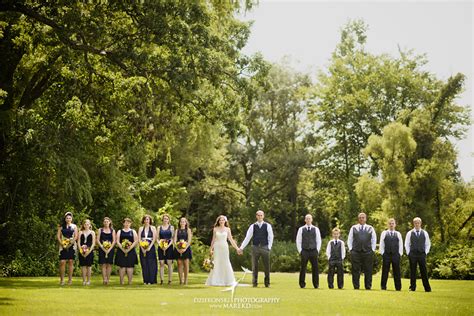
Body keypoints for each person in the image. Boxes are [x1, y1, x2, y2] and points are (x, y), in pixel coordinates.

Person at [238, 210, 274, 288]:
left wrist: (269, 247)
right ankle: (254, 283)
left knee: (266, 266)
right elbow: (247, 238)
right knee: (254, 266)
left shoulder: (267, 225)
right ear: (256, 216)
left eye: (261, 215)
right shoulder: (252, 226)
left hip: (265, 247)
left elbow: (271, 237)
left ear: (263, 216)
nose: (260, 217)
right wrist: (241, 248)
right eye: (258, 215)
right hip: (255, 247)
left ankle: (267, 283)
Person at [206, 215, 239, 286]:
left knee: (226, 262)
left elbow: (231, 240)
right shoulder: (215, 229)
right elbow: (213, 240)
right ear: (218, 221)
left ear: (225, 221)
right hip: (217, 247)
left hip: (224, 247)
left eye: (223, 220)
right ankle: (216, 280)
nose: (221, 221)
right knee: (217, 262)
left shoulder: (227, 229)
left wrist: (237, 248)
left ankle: (227, 280)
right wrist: (211, 249)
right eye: (220, 220)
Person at [347, 212, 376, 290]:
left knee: (368, 270)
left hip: (368, 252)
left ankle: (368, 286)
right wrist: (351, 249)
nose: (361, 219)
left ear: (365, 219)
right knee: (355, 270)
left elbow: (374, 239)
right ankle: (356, 286)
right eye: (360, 217)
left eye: (363, 217)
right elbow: (350, 239)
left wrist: (372, 250)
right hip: (356, 252)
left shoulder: (371, 228)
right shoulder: (354, 228)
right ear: (358, 219)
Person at [405, 217, 431, 292]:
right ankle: (412, 287)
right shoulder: (410, 233)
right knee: (413, 271)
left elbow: (428, 244)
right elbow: (406, 244)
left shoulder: (425, 233)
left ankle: (427, 288)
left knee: (424, 271)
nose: (417, 224)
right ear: (414, 224)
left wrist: (425, 252)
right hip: (412, 254)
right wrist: (408, 253)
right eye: (415, 223)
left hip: (422, 254)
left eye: (418, 223)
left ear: (420, 223)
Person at [295, 214, 322, 289]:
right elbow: (298, 240)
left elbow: (318, 240)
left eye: (309, 219)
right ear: (305, 220)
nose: (308, 220)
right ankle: (302, 284)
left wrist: (317, 250)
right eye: (307, 219)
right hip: (304, 251)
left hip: (313, 250)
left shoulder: (316, 229)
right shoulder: (301, 229)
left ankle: (316, 284)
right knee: (303, 268)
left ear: (312, 220)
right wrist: (300, 251)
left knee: (315, 268)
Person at [380, 218, 403, 291]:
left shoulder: (398, 234)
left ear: (395, 225)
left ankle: (398, 287)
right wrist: (382, 253)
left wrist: (400, 254)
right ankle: (383, 286)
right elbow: (381, 244)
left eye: (392, 223)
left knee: (397, 272)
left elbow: (400, 244)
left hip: (395, 255)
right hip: (386, 254)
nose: (391, 225)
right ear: (388, 225)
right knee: (385, 271)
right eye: (390, 223)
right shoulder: (384, 233)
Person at [115, 218, 138, 285]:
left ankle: (130, 282)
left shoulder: (133, 231)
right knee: (122, 266)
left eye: (128, 222)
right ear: (123, 223)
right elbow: (117, 241)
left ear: (130, 224)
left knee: (130, 266)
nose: (127, 224)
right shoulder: (120, 231)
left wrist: (129, 248)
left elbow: (136, 241)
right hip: (121, 251)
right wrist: (123, 249)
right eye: (125, 222)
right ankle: (121, 281)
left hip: (131, 251)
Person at [57, 212, 78, 285]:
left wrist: (70, 243)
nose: (68, 219)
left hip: (72, 245)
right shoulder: (61, 226)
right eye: (67, 218)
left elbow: (76, 236)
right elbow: (58, 236)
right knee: (62, 262)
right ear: (65, 219)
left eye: (70, 218)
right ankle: (62, 280)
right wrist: (62, 244)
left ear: (71, 219)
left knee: (71, 262)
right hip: (63, 246)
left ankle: (70, 280)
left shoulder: (74, 226)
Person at [138, 214, 158, 284]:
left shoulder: (153, 228)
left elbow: (154, 238)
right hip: (142, 247)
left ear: (150, 220)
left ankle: (151, 280)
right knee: (144, 263)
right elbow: (139, 239)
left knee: (151, 264)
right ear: (143, 220)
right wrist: (142, 248)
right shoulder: (140, 228)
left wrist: (149, 247)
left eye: (148, 219)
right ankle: (145, 280)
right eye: (145, 219)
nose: (146, 221)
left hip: (151, 247)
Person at [97, 217, 116, 285]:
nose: (106, 223)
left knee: (109, 264)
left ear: (109, 222)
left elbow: (114, 241)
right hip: (102, 249)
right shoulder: (100, 230)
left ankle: (108, 279)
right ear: (103, 223)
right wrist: (102, 247)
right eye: (105, 222)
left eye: (107, 222)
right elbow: (98, 240)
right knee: (103, 264)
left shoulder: (112, 230)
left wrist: (109, 248)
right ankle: (104, 279)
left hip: (110, 249)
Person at [174, 217, 192, 285]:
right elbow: (175, 240)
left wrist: (185, 248)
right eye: (181, 221)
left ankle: (186, 280)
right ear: (179, 223)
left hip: (186, 249)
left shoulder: (188, 230)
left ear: (186, 223)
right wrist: (178, 248)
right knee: (179, 264)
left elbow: (189, 240)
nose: (182, 223)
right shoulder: (177, 230)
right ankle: (180, 280)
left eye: (184, 221)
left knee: (186, 264)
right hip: (178, 249)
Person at [157, 214, 174, 285]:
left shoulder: (171, 227)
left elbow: (172, 238)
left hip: (169, 247)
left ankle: (170, 280)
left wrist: (167, 246)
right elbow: (157, 238)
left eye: (167, 219)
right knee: (161, 263)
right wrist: (161, 245)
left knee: (169, 263)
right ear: (162, 219)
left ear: (169, 220)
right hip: (161, 246)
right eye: (164, 219)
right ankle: (161, 280)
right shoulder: (159, 227)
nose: (165, 220)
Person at [78, 219, 96, 285]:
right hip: (81, 251)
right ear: (83, 225)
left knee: (89, 266)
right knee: (83, 266)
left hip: (90, 251)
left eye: (88, 224)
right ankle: (84, 281)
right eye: (85, 224)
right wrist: (81, 250)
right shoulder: (80, 232)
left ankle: (88, 281)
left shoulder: (92, 232)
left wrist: (89, 251)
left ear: (90, 225)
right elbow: (79, 242)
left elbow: (93, 243)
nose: (86, 225)